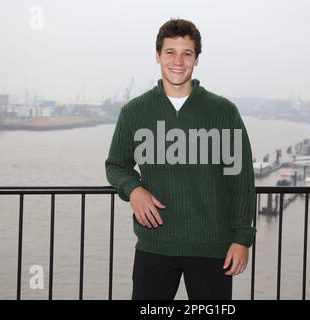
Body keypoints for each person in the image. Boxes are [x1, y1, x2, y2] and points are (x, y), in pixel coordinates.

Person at [105, 18, 256, 300]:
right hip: (155, 244)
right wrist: (133, 189)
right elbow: (116, 164)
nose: (178, 60)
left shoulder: (223, 111)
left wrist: (242, 239)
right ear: (158, 55)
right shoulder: (134, 111)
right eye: (170, 52)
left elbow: (242, 180)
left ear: (197, 59)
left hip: (213, 246)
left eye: (187, 53)